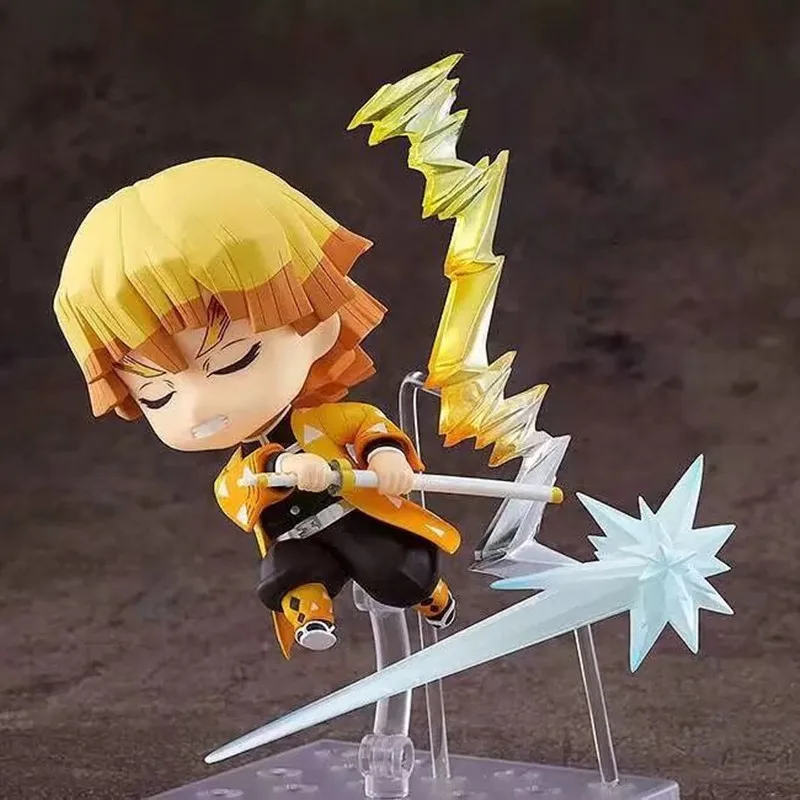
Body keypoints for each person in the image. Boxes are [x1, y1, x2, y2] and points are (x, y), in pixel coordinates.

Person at [53, 156, 459, 658]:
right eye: (157, 394)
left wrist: (386, 457)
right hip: (298, 536)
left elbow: (368, 426)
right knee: (287, 573)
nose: (197, 406)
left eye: (234, 360)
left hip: (356, 512)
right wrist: (279, 470)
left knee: (392, 567)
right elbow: (236, 493)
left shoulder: (324, 421)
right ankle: (313, 615)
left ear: (318, 324)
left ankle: (431, 594)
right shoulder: (242, 467)